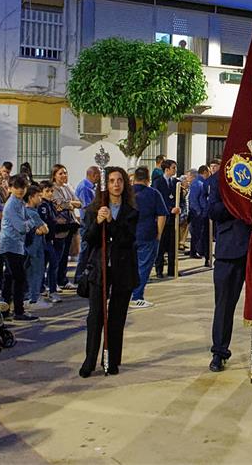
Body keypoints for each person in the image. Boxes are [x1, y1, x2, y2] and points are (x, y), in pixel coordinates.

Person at [207, 170, 252, 372]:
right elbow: (213, 210)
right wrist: (240, 205)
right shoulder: (221, 177)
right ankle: (219, 352)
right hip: (229, 249)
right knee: (223, 304)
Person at [79, 167, 139, 377]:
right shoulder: (94, 209)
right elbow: (88, 239)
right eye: (112, 180)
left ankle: (111, 359)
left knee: (116, 318)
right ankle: (89, 360)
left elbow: (127, 239)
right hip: (99, 268)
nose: (116, 184)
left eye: (119, 180)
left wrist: (112, 223)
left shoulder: (131, 211)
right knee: (95, 316)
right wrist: (97, 222)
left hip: (123, 269)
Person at [0, 175, 43, 321]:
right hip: (10, 244)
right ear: (10, 188)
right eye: (17, 187)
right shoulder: (12, 204)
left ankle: (4, 309)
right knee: (19, 278)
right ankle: (18, 311)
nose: (20, 190)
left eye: (23, 187)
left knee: (10, 278)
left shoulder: (19, 202)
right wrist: (31, 222)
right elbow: (21, 227)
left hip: (16, 245)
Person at [131, 167, 168, 308]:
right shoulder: (153, 193)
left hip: (127, 236)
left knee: (128, 266)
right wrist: (158, 233)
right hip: (147, 234)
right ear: (148, 179)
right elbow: (162, 215)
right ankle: (137, 296)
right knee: (144, 266)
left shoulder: (126, 193)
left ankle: (125, 294)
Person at [50, 164, 81, 290]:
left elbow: (78, 203)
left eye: (65, 173)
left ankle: (63, 279)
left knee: (65, 254)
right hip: (59, 226)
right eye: (61, 173)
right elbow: (59, 203)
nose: (64, 175)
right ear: (54, 175)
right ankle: (53, 282)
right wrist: (68, 204)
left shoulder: (67, 188)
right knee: (57, 255)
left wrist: (69, 204)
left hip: (69, 225)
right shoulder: (53, 189)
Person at [152, 159, 181, 278]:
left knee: (172, 246)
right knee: (161, 245)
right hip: (162, 218)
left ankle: (172, 269)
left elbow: (180, 199)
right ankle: (159, 270)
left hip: (174, 219)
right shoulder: (158, 183)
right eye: (173, 168)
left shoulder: (176, 182)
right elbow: (158, 200)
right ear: (167, 169)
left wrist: (179, 208)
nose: (175, 170)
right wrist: (169, 209)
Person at [23, 185, 51, 310]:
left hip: (29, 248)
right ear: (30, 197)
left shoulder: (24, 211)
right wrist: (43, 227)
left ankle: (29, 296)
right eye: (38, 196)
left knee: (30, 272)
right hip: (35, 248)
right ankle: (33, 298)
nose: (41, 198)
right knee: (36, 272)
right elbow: (44, 229)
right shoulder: (32, 213)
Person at [74, 167, 100, 284]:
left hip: (90, 221)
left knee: (88, 250)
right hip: (87, 221)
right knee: (85, 250)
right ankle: (79, 276)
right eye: (98, 175)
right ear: (94, 175)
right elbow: (87, 206)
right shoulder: (85, 188)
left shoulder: (90, 187)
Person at [37, 181, 61, 303]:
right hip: (44, 240)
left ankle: (43, 288)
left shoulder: (50, 204)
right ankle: (51, 290)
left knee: (49, 264)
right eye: (47, 191)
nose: (50, 193)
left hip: (50, 239)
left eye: (52, 191)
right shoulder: (42, 206)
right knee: (52, 264)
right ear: (41, 193)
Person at [187, 165, 209, 259]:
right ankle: (194, 251)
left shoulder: (200, 182)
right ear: (205, 172)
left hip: (200, 212)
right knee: (197, 233)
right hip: (198, 213)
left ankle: (199, 250)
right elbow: (194, 199)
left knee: (200, 233)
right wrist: (199, 211)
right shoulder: (198, 183)